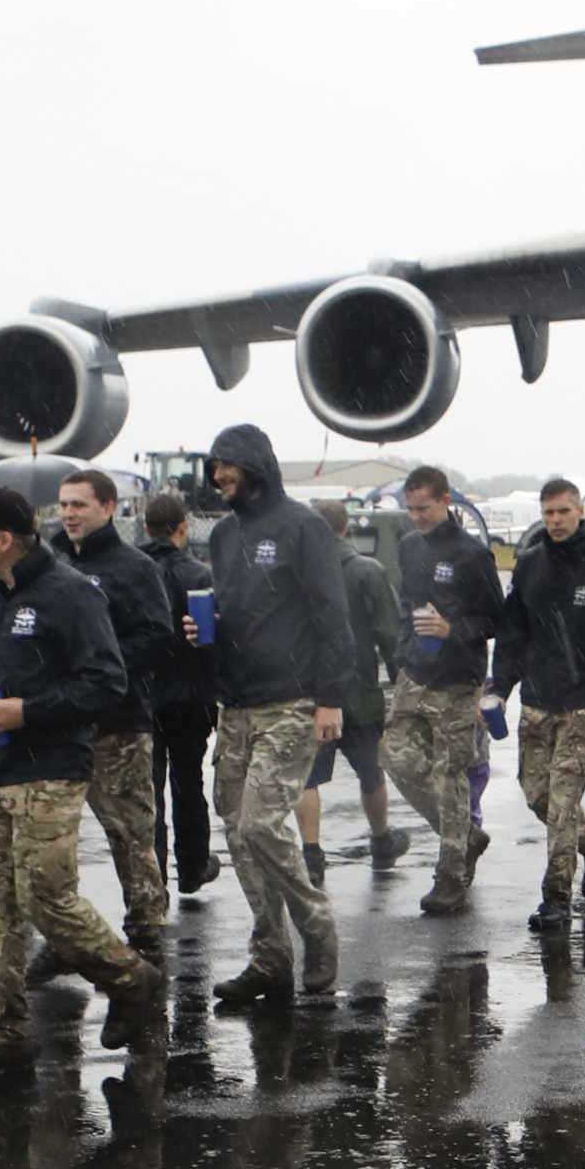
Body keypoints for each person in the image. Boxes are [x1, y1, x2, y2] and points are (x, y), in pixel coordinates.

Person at [0, 482, 163, 1085]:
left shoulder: (71, 594)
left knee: (45, 900)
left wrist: (28, 712)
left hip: (51, 771)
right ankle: (5, 1035)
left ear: (2, 539)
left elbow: (106, 682)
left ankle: (131, 978)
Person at [192, 422, 350, 1006]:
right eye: (214, 468)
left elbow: (333, 615)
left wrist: (331, 696)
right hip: (236, 702)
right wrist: (202, 635)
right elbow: (233, 611)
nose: (218, 476)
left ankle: (316, 924)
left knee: (261, 822)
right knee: (237, 832)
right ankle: (271, 956)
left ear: (256, 463)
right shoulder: (223, 536)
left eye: (226, 465)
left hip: (292, 698)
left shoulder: (303, 526)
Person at [491, 476, 585, 928]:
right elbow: (513, 634)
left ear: (580, 511)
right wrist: (499, 687)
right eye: (548, 513)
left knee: (561, 805)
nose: (555, 521)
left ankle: (556, 898)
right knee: (538, 797)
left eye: (563, 512)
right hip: (536, 700)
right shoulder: (529, 565)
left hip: (583, 702)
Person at [47, 466, 174, 969]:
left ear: (107, 507)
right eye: (63, 504)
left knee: (129, 834)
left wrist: (101, 664)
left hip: (118, 724)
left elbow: (157, 637)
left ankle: (146, 928)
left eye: (79, 504)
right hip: (59, 724)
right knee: (53, 836)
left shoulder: (133, 567)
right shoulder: (52, 562)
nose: (69, 514)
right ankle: (62, 932)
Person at [384, 464, 504, 913]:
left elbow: (498, 618)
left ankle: (450, 873)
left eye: (423, 508)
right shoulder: (409, 545)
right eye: (410, 508)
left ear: (445, 500)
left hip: (458, 678)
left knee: (450, 773)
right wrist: (399, 655)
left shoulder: (472, 554)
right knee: (394, 756)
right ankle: (466, 838)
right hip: (415, 672)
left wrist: (453, 628)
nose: (415, 516)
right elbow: (405, 603)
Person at [296, 500, 411, 881]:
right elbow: (388, 634)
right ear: (346, 528)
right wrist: (400, 679)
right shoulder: (368, 570)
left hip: (310, 694)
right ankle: (381, 841)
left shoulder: (298, 573)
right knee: (370, 770)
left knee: (308, 778)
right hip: (359, 692)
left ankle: (311, 853)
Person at [141, 492, 220, 896]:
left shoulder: (134, 571)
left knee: (149, 788)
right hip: (189, 694)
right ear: (183, 527)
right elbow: (209, 639)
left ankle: (155, 877)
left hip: (143, 695)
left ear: (144, 527)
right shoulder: (198, 575)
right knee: (188, 782)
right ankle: (192, 865)